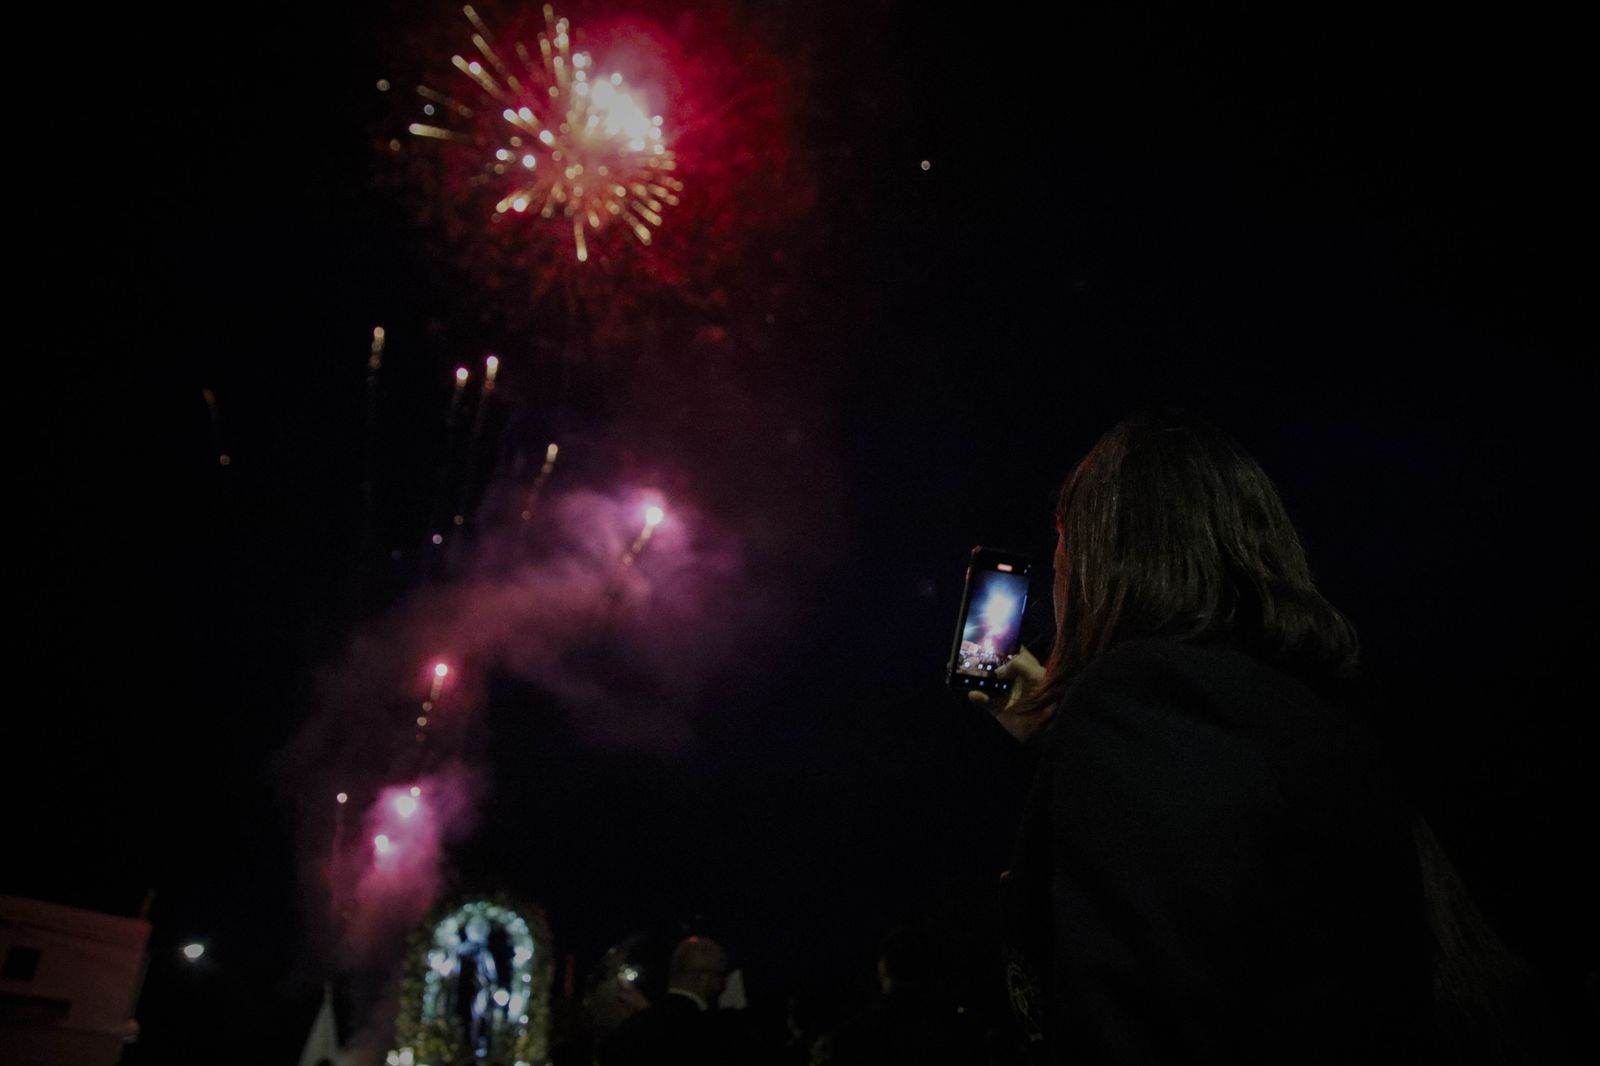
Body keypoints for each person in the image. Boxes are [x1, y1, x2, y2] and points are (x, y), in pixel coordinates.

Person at [972, 412, 1435, 1062]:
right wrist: (1058, 741)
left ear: (1110, 554)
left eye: (1066, 535)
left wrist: (1093, 731)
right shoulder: (1326, 714)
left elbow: (1137, 1013)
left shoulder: (1135, 702)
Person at [605, 935, 744, 1066]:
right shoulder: (717, 1035)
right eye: (721, 975)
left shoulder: (628, 1029)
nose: (724, 983)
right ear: (705, 978)